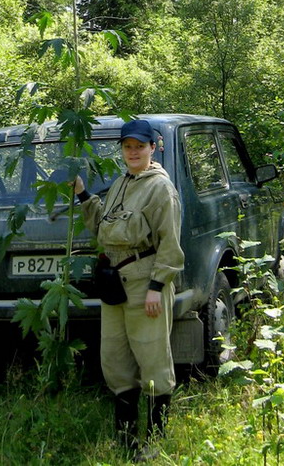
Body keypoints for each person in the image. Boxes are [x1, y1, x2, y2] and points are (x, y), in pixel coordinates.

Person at [74, 119, 184, 460]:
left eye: (140, 146)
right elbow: (104, 226)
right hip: (114, 287)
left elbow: (170, 242)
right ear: (122, 150)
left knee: (153, 362)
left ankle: (155, 442)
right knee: (116, 362)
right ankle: (125, 441)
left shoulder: (160, 189)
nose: (133, 152)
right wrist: (81, 193)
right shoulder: (123, 183)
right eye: (127, 146)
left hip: (144, 286)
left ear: (153, 148)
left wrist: (156, 286)